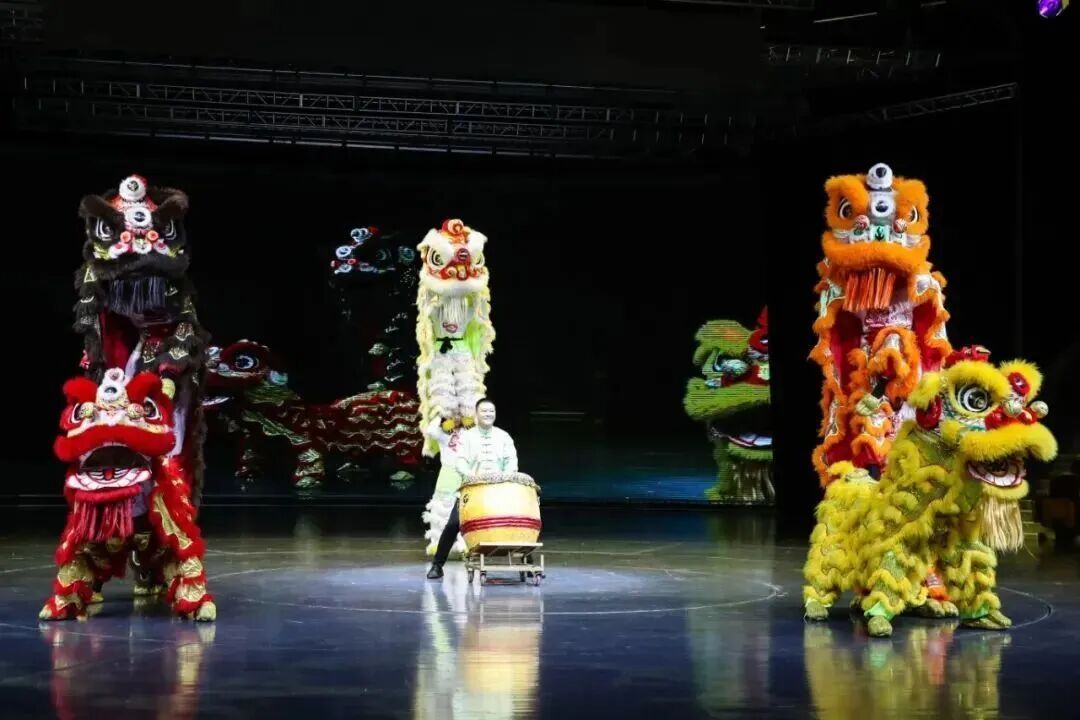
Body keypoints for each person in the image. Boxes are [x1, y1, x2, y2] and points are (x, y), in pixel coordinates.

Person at [426, 398, 518, 579]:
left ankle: (526, 560)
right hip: (472, 490)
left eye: (491, 411)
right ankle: (437, 565)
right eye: (484, 411)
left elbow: (511, 461)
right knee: (453, 524)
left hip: (498, 489)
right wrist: (472, 477)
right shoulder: (466, 437)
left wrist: (504, 477)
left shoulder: (503, 436)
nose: (488, 414)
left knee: (516, 520)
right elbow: (460, 462)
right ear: (476, 414)